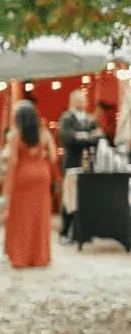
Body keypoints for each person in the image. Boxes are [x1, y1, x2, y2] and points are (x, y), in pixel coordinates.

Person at [4, 100, 55, 269]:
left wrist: (6, 185)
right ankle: (40, 257)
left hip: (23, 176)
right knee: (40, 218)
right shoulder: (44, 133)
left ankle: (21, 257)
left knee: (22, 218)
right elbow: (53, 157)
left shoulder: (15, 135)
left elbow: (13, 161)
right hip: (42, 174)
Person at [57, 89, 102, 242]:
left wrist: (82, 136)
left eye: (84, 100)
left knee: (86, 198)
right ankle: (64, 232)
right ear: (73, 102)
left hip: (88, 163)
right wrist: (87, 137)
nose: (83, 103)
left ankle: (83, 233)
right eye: (80, 100)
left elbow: (99, 137)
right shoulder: (66, 118)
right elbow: (69, 139)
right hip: (72, 163)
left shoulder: (90, 119)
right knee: (69, 198)